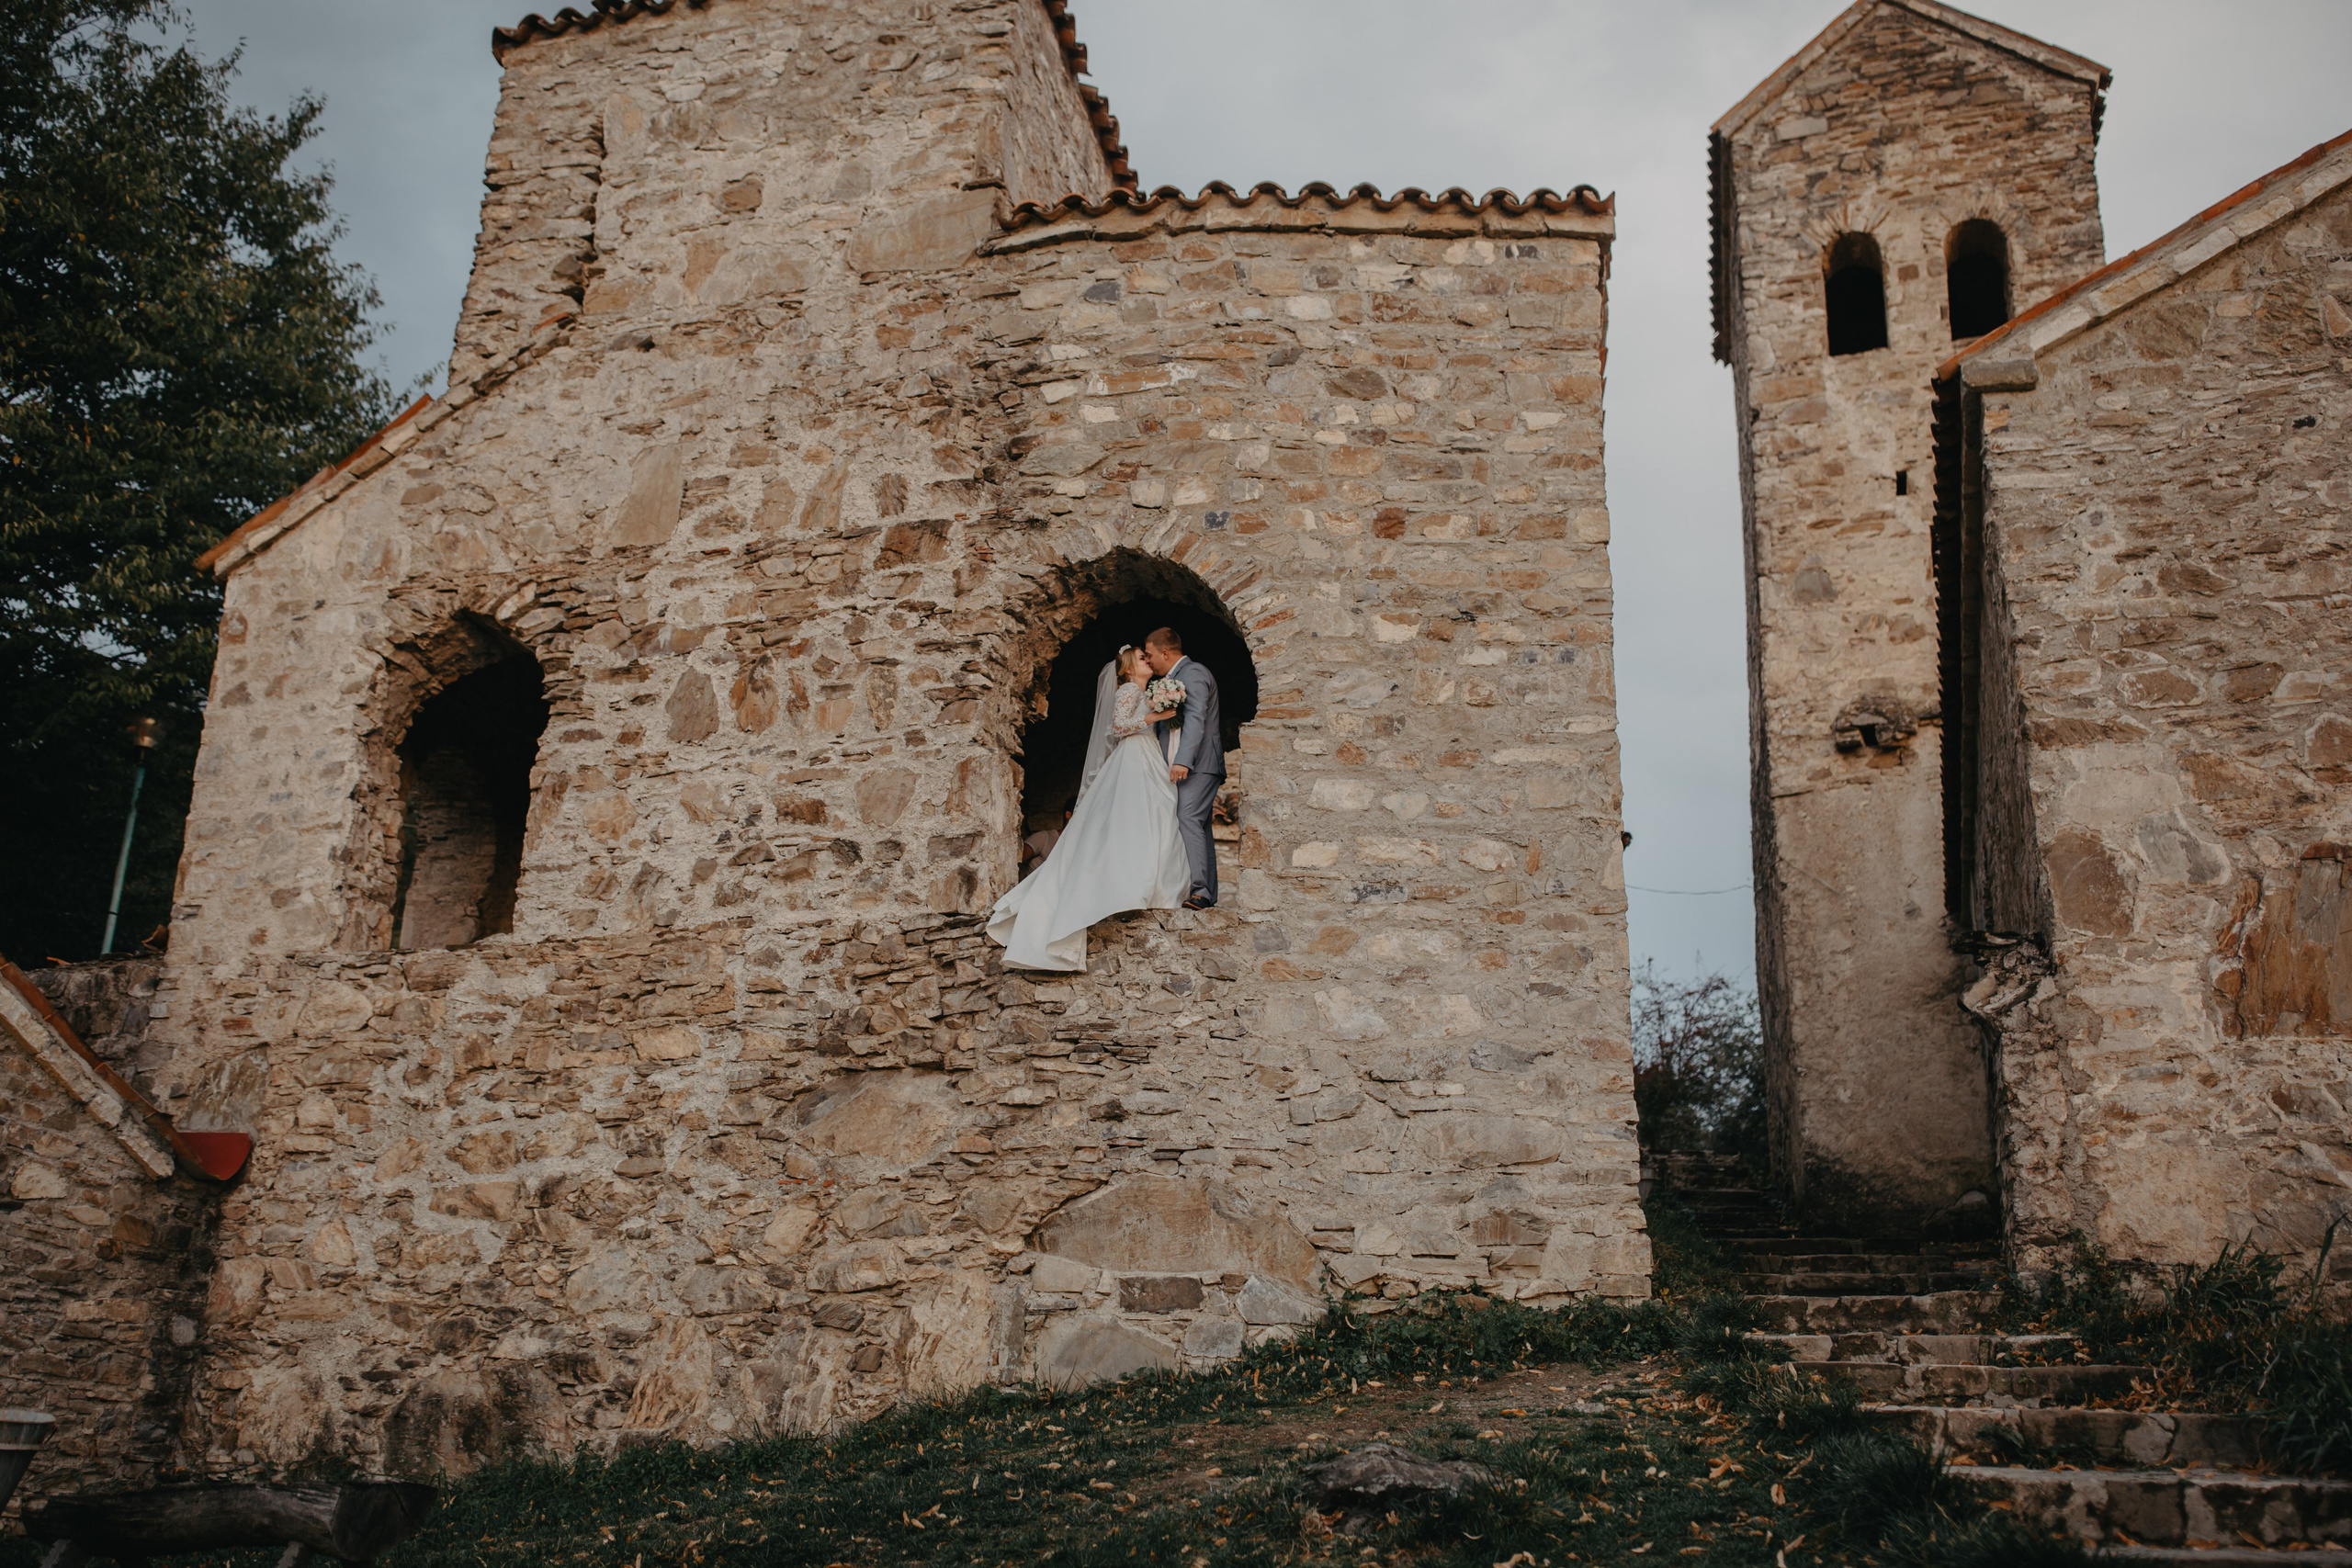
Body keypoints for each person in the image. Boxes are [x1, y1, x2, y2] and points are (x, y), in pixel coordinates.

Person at [986, 646, 1189, 971]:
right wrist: (1153, 715)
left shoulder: (1144, 691)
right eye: (1141, 658)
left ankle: (1157, 888)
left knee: (1157, 815)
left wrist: (1157, 709)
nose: (1147, 661)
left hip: (1148, 755)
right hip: (1132, 757)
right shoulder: (1126, 690)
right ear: (1126, 669)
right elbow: (1120, 727)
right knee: (1134, 818)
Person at [1142, 626, 1224, 908]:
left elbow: (1196, 719)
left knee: (1187, 818)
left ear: (1165, 652)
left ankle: (1200, 892)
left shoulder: (1194, 673)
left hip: (1199, 765)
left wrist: (1181, 760)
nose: (1148, 660)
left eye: (1150, 654)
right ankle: (1206, 893)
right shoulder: (1174, 678)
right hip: (1191, 765)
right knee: (1198, 826)